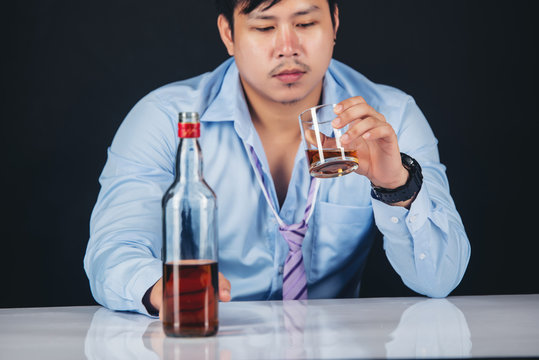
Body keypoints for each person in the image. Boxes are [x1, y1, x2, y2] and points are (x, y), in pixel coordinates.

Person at [84, 0, 470, 316]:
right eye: (264, 27)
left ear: (334, 24)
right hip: (211, 341)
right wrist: (166, 289)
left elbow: (439, 279)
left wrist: (396, 186)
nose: (287, 46)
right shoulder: (168, 119)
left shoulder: (391, 115)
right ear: (228, 34)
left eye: (305, 23)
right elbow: (115, 249)